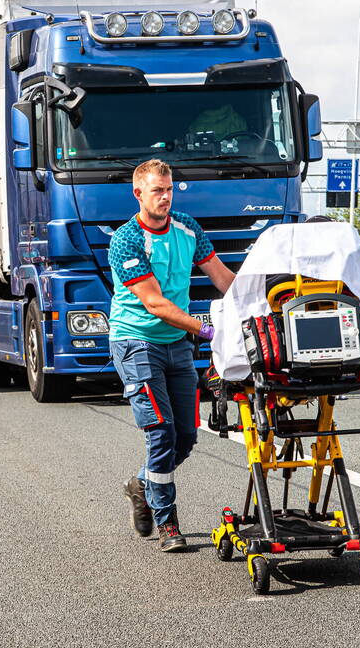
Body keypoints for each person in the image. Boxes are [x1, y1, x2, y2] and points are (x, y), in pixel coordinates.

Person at [109, 159, 236, 552]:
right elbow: (156, 304)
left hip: (176, 343)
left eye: (169, 189)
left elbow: (223, 278)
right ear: (139, 194)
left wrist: (262, 305)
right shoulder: (126, 240)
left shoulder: (187, 227)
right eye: (157, 191)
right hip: (136, 342)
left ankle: (141, 485)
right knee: (160, 432)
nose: (165, 197)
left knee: (186, 436)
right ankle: (167, 523)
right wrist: (211, 330)